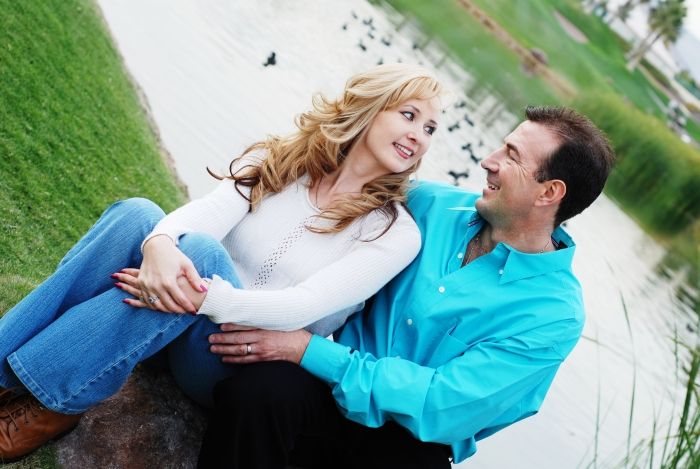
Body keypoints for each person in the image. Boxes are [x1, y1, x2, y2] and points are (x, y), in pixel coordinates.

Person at [0, 63, 446, 462]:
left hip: (231, 360)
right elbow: (207, 214)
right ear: (368, 107)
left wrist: (204, 296)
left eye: (429, 128)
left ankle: (52, 403)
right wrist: (158, 244)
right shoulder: (281, 159)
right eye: (408, 115)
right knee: (138, 215)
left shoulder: (394, 233)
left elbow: (304, 306)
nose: (418, 136)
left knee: (201, 253)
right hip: (168, 315)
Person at [195, 106, 616, 468]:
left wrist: (306, 349)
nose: (488, 161)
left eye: (511, 156)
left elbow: (441, 405)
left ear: (549, 192)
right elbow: (337, 183)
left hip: (407, 443)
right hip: (321, 392)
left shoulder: (555, 315)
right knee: (259, 393)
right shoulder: (427, 204)